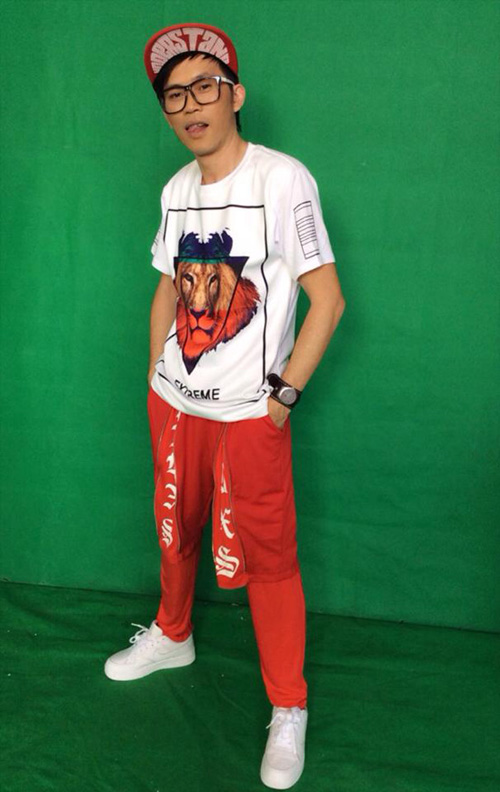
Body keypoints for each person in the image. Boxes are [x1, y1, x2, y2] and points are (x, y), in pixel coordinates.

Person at [104, 22, 345, 790]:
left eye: (204, 87)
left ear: (235, 95)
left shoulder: (282, 179)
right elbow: (168, 286)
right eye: (174, 95)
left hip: (248, 413)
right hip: (177, 404)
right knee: (174, 526)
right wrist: (157, 374)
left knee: (269, 558)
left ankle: (288, 705)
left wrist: (282, 398)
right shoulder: (177, 190)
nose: (190, 106)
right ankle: (173, 633)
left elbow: (327, 300)